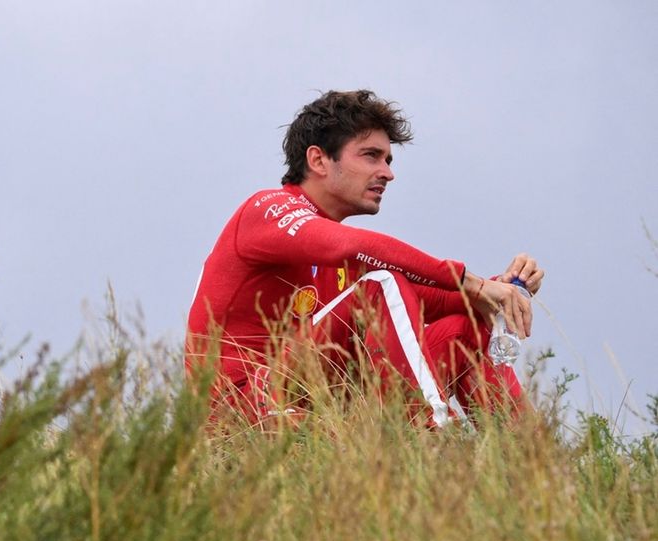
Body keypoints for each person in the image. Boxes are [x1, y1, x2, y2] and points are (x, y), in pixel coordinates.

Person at [185, 90, 545, 427]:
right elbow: (353, 251)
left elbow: (434, 300)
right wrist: (472, 281)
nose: (388, 172)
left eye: (388, 160)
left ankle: (536, 467)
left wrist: (503, 289)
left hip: (311, 410)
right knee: (381, 283)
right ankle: (422, 438)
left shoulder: (347, 255)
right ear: (318, 160)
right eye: (371, 156)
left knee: (464, 325)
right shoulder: (268, 209)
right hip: (239, 413)